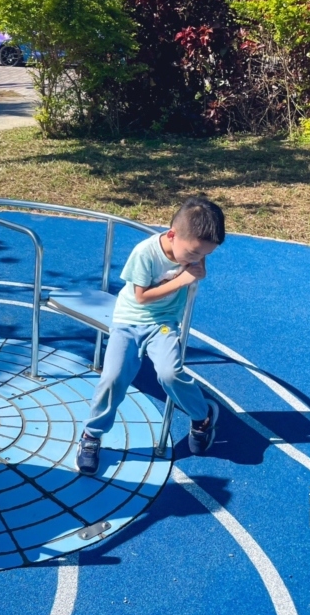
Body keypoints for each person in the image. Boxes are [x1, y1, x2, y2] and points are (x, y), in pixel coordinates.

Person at [76, 197, 226, 475]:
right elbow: (141, 297)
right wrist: (183, 279)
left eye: (205, 255)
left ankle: (203, 418)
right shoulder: (145, 253)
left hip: (164, 324)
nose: (197, 261)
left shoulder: (195, 248)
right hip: (129, 321)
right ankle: (91, 435)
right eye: (193, 254)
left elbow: (196, 265)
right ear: (172, 235)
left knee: (170, 373)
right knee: (113, 378)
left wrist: (195, 266)